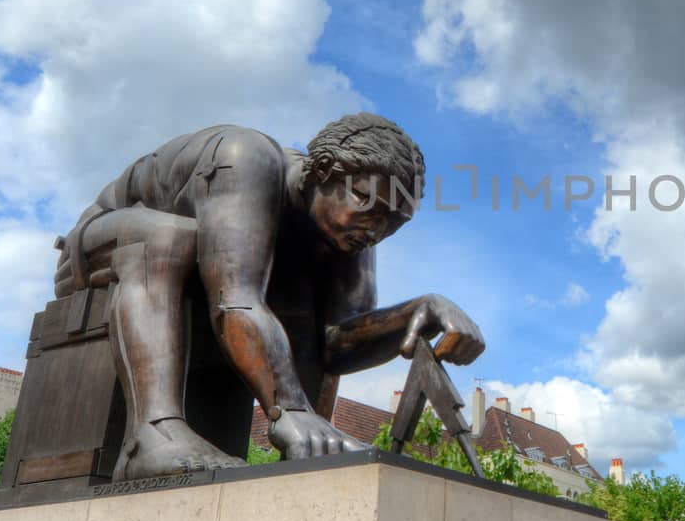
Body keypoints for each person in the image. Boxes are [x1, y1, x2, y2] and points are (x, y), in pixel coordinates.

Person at [53, 114, 484, 480]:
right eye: (366, 202)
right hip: (96, 248)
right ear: (324, 170)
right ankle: (150, 436)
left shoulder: (354, 232)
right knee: (171, 239)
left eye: (395, 221)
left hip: (208, 278)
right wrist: (289, 410)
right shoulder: (247, 159)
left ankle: (307, 456)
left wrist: (417, 312)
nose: (377, 229)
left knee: (297, 294)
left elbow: (335, 345)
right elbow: (234, 300)